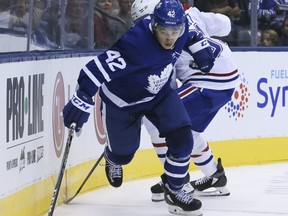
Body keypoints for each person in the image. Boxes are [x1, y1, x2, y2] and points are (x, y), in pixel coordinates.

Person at [62, 0, 215, 215]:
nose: (170, 38)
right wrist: (82, 98)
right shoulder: (135, 44)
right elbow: (93, 70)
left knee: (183, 138)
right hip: (123, 103)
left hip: (159, 94)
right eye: (164, 31)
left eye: (175, 31)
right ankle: (112, 157)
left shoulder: (182, 28)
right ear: (154, 26)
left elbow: (191, 33)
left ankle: (174, 190)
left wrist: (200, 49)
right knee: (124, 155)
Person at [131, 0, 239, 202]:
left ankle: (175, 180)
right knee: (189, 130)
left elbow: (165, 86)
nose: (140, 26)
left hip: (208, 82)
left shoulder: (161, 40)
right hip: (226, 77)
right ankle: (215, 176)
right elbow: (225, 24)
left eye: (142, 20)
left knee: (159, 117)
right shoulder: (189, 15)